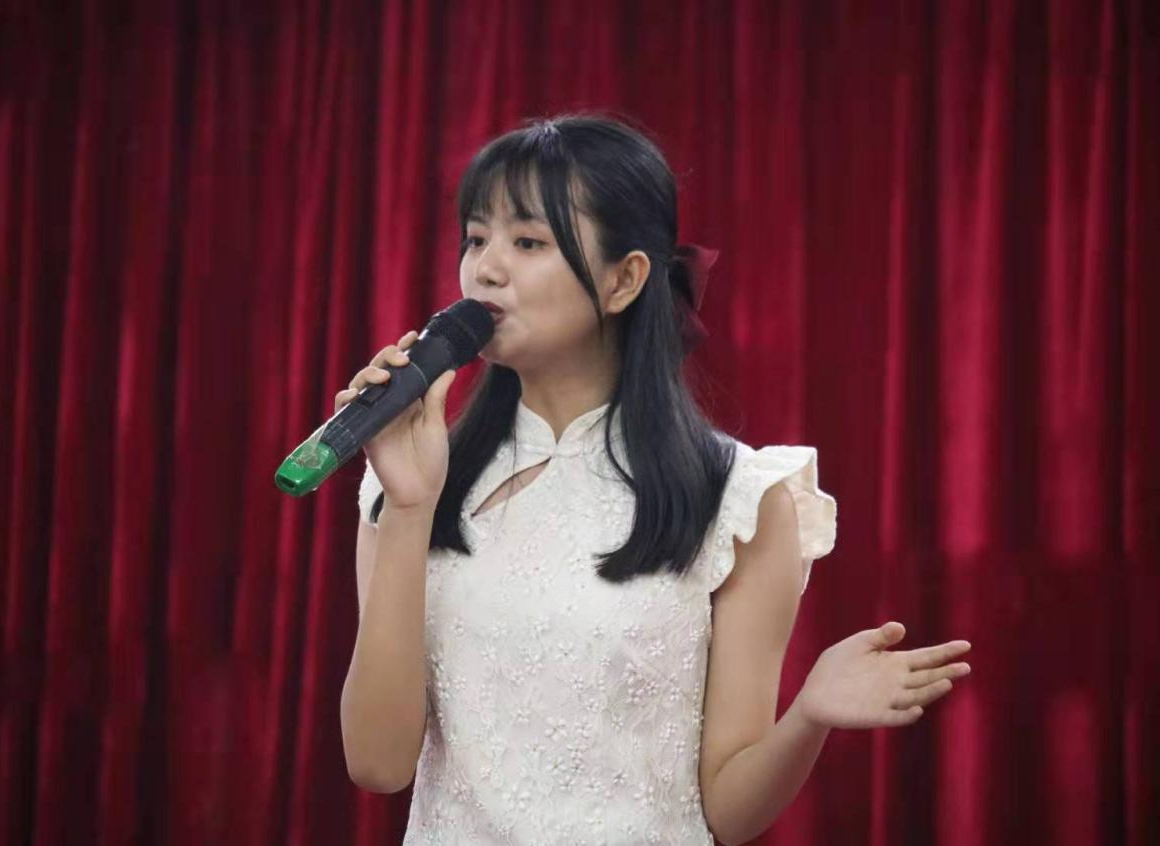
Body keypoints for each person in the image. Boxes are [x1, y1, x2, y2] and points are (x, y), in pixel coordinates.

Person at [338, 113, 972, 845]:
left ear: (624, 279)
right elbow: (377, 764)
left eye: (528, 242)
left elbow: (729, 812)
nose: (485, 268)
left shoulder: (737, 497)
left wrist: (809, 714)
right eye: (476, 239)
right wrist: (410, 507)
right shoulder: (407, 485)